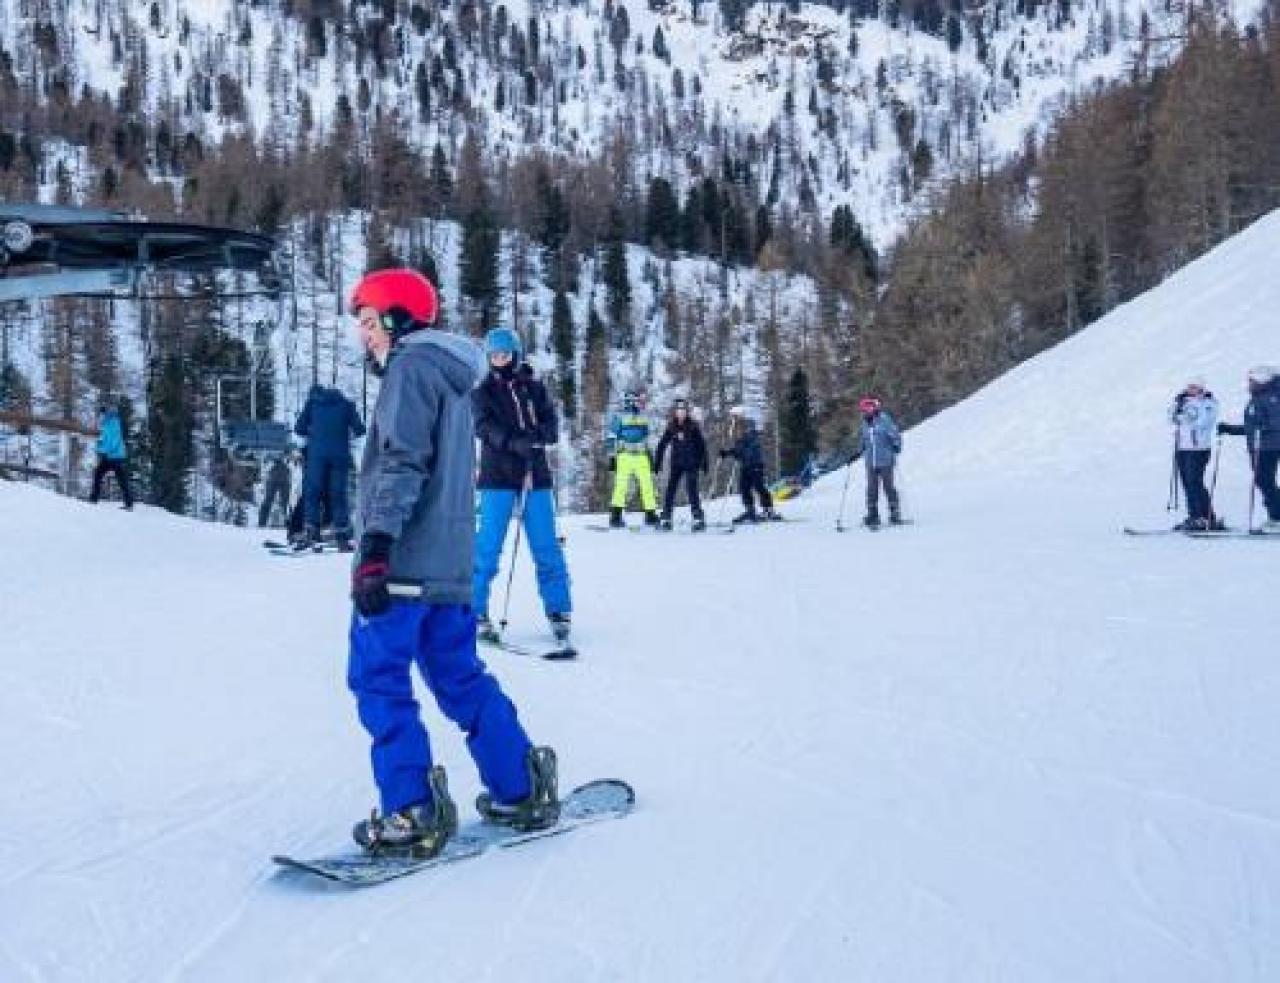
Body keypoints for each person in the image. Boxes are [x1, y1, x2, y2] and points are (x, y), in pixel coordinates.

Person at [345, 267, 559, 856]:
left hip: (404, 567)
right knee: (459, 677)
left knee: (377, 679)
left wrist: (376, 550)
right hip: (450, 567)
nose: (365, 335)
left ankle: (411, 809)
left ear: (395, 318)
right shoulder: (455, 376)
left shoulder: (410, 370)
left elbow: (401, 462)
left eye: (369, 322)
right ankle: (519, 785)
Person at [472, 326, 572, 643]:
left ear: (515, 355)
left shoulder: (534, 388)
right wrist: (513, 442)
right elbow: (483, 427)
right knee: (487, 547)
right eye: (493, 356)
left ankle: (559, 609)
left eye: (504, 355)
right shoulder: (483, 391)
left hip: (534, 475)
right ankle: (474, 610)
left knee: (546, 545)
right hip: (497, 475)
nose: (499, 361)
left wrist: (537, 439)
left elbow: (551, 425)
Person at [294, 383, 365, 548]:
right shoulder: (347, 405)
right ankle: (341, 533)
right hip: (340, 456)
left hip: (317, 455)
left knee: (312, 492)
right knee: (338, 494)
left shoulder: (312, 404)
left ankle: (311, 530)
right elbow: (360, 430)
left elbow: (299, 430)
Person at [1218, 365, 1280, 532]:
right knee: (1264, 481)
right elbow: (1252, 426)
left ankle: (1277, 518)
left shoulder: (1273, 397)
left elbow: (1275, 421)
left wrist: (1264, 427)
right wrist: (1231, 429)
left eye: (1252, 380)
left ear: (1263, 380)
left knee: (1265, 481)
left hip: (1269, 446)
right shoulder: (1259, 397)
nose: (1249, 383)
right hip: (1259, 446)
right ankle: (1275, 517)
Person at [1169, 377, 1221, 531]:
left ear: (1201, 388)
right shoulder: (1182, 401)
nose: (1191, 390)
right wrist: (1178, 413)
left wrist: (1184, 418)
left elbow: (1204, 422)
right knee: (1187, 483)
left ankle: (1206, 516)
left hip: (1199, 448)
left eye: (1195, 387)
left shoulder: (1208, 403)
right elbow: (1171, 418)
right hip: (1182, 447)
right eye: (1189, 387)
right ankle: (1195, 516)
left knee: (1194, 482)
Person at [606, 390, 659, 528]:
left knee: (647, 484)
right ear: (628, 401)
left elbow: (648, 437)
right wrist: (612, 457)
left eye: (637, 400)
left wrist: (651, 455)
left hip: (641, 455)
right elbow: (611, 436)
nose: (637, 403)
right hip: (625, 455)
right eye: (634, 400)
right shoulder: (619, 417)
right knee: (621, 485)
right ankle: (616, 515)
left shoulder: (643, 416)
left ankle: (650, 514)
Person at [654, 397, 708, 531]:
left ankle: (698, 517)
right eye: (679, 410)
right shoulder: (672, 427)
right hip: (676, 463)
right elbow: (662, 444)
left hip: (691, 462)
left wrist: (704, 462)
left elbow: (701, 445)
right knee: (670, 489)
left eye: (683, 410)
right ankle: (666, 517)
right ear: (675, 412)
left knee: (692, 489)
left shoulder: (693, 426)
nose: (681, 413)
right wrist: (657, 462)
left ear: (687, 412)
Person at [719, 412, 779, 523]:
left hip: (755, 465)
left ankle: (768, 510)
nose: (735, 428)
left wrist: (738, 454)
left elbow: (748, 449)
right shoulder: (738, 435)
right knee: (744, 488)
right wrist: (727, 453)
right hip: (746, 466)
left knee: (759, 487)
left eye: (735, 420)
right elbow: (738, 450)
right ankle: (750, 510)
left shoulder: (751, 433)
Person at [856, 396, 902, 528]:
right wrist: (859, 450)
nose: (865, 412)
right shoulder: (865, 423)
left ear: (874, 408)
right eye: (863, 410)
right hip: (871, 462)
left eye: (868, 409)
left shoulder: (884, 420)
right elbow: (863, 440)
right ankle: (873, 514)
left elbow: (895, 434)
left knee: (889, 487)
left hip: (885, 460)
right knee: (871, 489)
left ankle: (895, 512)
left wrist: (896, 445)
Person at [89, 401, 133, 510]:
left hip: (116, 457)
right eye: (101, 412)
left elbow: (113, 442)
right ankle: (93, 500)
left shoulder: (113, 423)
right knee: (98, 474)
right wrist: (100, 446)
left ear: (107, 413)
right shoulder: (107, 424)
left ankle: (129, 504)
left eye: (102, 412)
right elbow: (105, 439)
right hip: (109, 456)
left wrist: (101, 449)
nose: (101, 415)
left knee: (121, 480)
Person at [258, 453, 292, 528]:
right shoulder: (271, 458)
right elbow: (265, 468)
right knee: (268, 500)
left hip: (284, 478)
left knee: (285, 502)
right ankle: (262, 522)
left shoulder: (289, 452)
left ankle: (286, 522)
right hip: (274, 478)